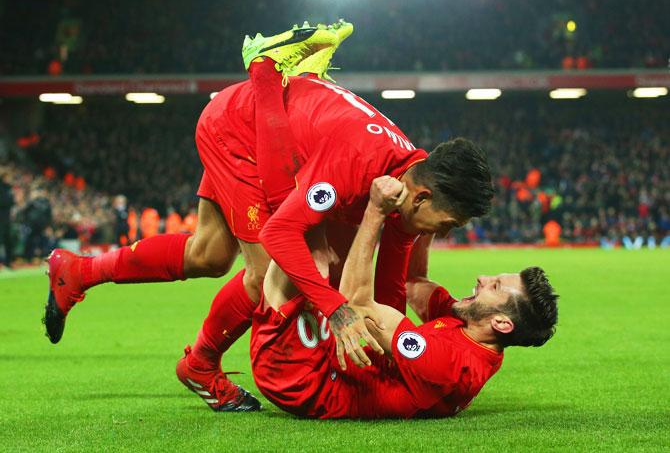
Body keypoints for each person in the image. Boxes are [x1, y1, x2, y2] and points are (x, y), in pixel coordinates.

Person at [44, 22, 494, 411]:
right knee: (272, 273)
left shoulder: (403, 186)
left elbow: (389, 291)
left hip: (286, 135)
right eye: (448, 223)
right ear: (422, 197)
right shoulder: (359, 167)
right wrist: (336, 311)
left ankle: (78, 271)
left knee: (209, 255)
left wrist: (385, 354)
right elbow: (282, 232)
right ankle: (199, 366)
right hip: (241, 128)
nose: (444, 233)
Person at [251, 176, 559, 418]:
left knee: (306, 247)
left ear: (502, 323)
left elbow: (355, 303)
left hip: (300, 379)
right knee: (329, 248)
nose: (482, 278)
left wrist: (375, 211)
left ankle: (275, 176)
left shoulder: (449, 366)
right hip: (329, 355)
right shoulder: (471, 325)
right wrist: (424, 216)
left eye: (494, 286)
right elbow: (413, 283)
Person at [0, 170, 15, 268]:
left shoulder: (9, 188)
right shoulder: (1, 188)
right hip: (1, 217)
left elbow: (11, 202)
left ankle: (8, 262)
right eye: (8, 177)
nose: (9, 179)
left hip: (7, 218)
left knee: (8, 240)